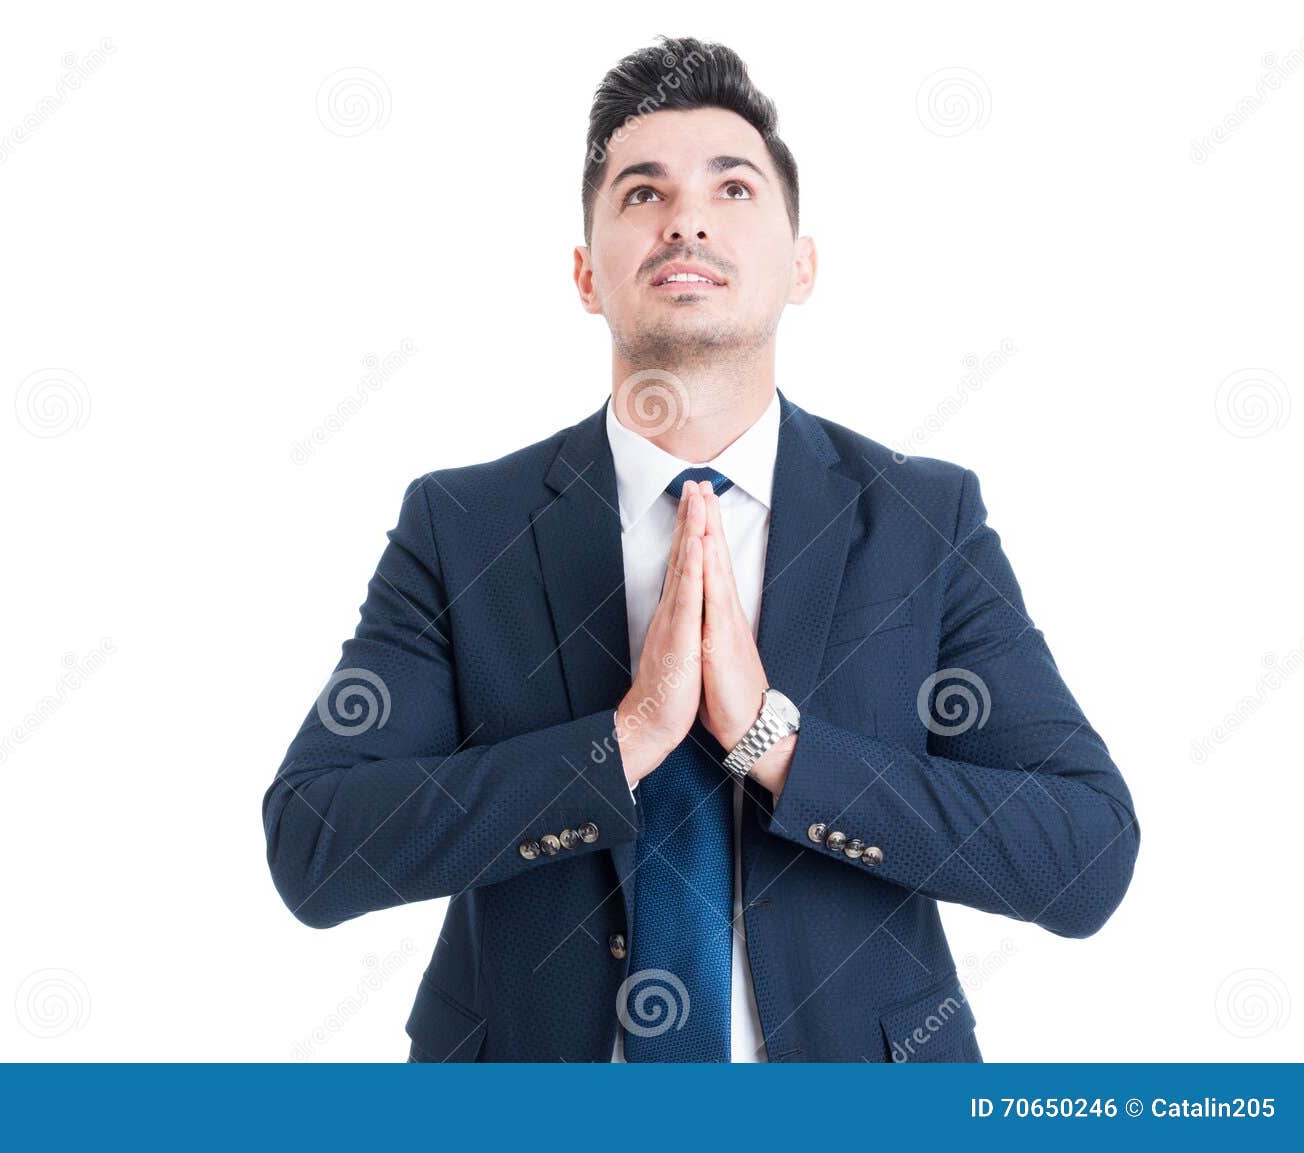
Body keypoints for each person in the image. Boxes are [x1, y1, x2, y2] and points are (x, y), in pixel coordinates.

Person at [262, 35, 1139, 1062]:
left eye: (732, 188)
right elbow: (316, 844)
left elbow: (1083, 855)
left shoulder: (918, 517)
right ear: (587, 275)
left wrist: (777, 746)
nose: (684, 217)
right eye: (642, 193)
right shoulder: (463, 527)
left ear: (801, 263)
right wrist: (624, 740)